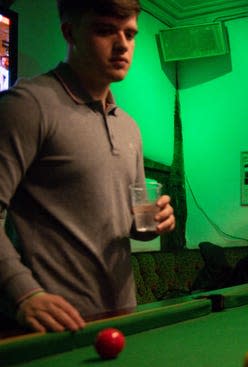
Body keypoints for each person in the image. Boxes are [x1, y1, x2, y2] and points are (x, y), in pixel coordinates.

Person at [0, 0, 175, 333]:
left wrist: (154, 222)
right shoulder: (27, 106)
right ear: (70, 32)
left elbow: (134, 224)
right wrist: (25, 293)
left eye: (130, 33)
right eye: (106, 30)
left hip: (122, 318)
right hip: (50, 327)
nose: (122, 44)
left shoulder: (129, 127)